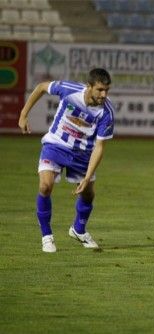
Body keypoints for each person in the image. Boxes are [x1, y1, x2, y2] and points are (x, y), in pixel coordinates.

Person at [18, 68, 114, 253]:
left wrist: (87, 178)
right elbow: (41, 87)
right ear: (89, 86)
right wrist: (23, 114)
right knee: (45, 186)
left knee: (88, 194)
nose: (104, 95)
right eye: (100, 90)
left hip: (83, 153)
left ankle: (78, 230)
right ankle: (47, 236)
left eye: (107, 90)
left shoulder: (107, 113)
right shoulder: (69, 89)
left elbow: (100, 147)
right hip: (56, 144)